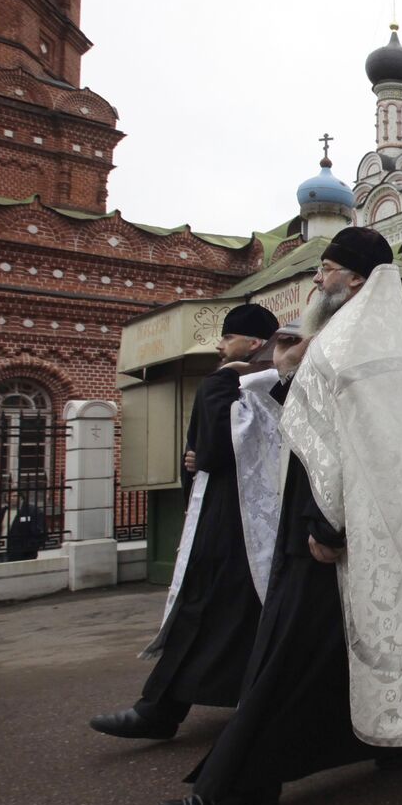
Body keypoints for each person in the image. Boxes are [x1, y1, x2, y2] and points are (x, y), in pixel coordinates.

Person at [160, 227, 402, 805]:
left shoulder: (351, 341)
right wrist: (283, 372)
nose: (317, 279)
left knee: (290, 651)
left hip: (329, 527)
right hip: (340, 522)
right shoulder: (344, 337)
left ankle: (238, 785)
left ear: (356, 278)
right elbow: (311, 425)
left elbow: (346, 445)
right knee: (344, 647)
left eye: (327, 269)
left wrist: (328, 527)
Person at [91, 303, 279, 741]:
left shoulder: (233, 384)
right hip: (255, 523)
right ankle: (165, 708)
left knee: (203, 609)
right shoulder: (270, 387)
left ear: (252, 344)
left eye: (228, 336)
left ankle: (161, 710)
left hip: (231, 524)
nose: (219, 344)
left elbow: (210, 453)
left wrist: (219, 382)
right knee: (236, 614)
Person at [0, 491, 45, 563]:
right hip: (0, 551)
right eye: (9, 496)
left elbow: (40, 532)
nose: (12, 498)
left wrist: (30, 548)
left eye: (15, 496)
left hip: (21, 552)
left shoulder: (32, 511)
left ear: (21, 498)